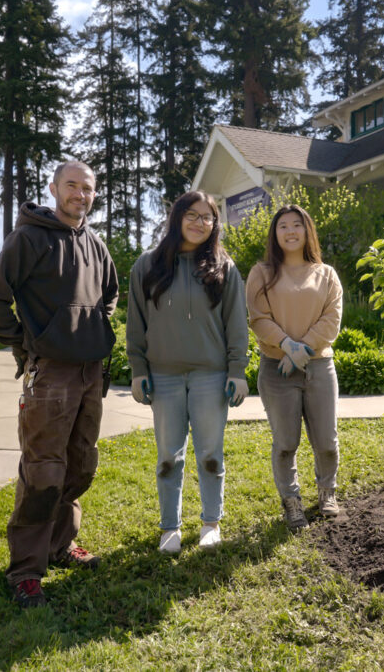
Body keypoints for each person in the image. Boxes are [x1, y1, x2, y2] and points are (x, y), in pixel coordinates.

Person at [0, 161, 118, 608]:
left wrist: (96, 327)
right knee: (43, 471)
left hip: (90, 371)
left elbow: (110, 294)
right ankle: (26, 570)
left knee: (80, 464)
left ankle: (60, 545)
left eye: (87, 188)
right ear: (54, 188)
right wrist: (25, 341)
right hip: (50, 373)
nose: (79, 194)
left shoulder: (96, 243)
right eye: (71, 185)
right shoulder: (29, 238)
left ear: (94, 195)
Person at [127, 190, 249, 554]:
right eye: (192, 215)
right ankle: (170, 528)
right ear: (178, 217)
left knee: (211, 452)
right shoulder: (147, 266)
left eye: (208, 217)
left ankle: (211, 523)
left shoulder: (223, 267)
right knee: (168, 456)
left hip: (211, 377)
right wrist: (137, 368)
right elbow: (136, 322)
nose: (200, 223)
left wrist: (237, 370)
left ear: (215, 224)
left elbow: (236, 323)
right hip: (163, 377)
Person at [245, 204, 343, 532]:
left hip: (319, 368)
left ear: (307, 231)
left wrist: (301, 352)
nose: (290, 231)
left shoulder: (326, 274)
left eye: (297, 225)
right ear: (275, 233)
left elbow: (332, 319)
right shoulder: (261, 272)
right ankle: (291, 501)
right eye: (283, 226)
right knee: (286, 443)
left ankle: (327, 492)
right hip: (277, 370)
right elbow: (258, 317)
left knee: (326, 441)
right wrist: (287, 346)